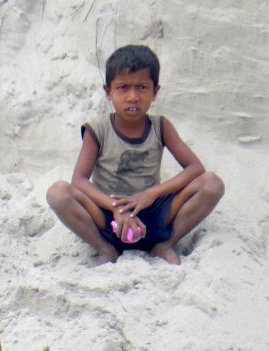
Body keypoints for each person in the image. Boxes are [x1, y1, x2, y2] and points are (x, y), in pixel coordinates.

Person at [46, 44, 224, 265]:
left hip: (153, 212)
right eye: (122, 88)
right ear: (108, 92)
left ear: (155, 92)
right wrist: (115, 207)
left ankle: (165, 244)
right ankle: (105, 248)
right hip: (108, 214)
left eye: (141, 87)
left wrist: (151, 193)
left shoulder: (160, 126)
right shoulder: (98, 129)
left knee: (212, 184)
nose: (132, 97)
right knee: (58, 192)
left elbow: (195, 168)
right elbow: (79, 180)